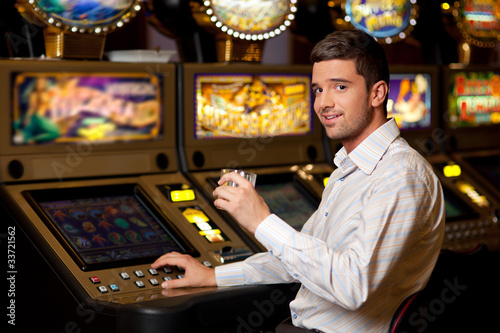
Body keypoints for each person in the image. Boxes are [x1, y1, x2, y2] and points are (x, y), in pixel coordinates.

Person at [152, 29, 445, 332]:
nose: (324, 103)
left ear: (377, 93)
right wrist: (214, 276)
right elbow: (299, 259)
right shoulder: (353, 168)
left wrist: (261, 221)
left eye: (340, 87)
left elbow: (353, 286)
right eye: (318, 90)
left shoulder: (399, 176)